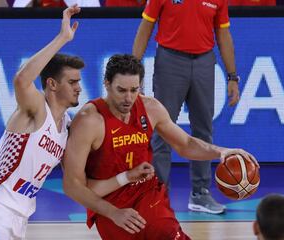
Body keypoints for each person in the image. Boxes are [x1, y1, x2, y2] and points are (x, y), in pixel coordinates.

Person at [62, 54, 258, 239]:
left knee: (167, 232)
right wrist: (113, 213)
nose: (129, 98)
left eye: (134, 90)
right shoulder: (89, 120)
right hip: (108, 203)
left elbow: (186, 144)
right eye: (121, 90)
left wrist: (221, 151)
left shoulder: (150, 107)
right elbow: (72, 186)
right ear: (107, 84)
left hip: (147, 194)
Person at [0, 6, 83, 239]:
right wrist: (63, 38)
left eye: (79, 81)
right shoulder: (36, 109)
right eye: (72, 81)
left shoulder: (67, 127)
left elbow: (76, 179)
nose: (78, 87)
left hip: (18, 222)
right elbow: (21, 79)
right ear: (52, 84)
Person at [132, 0, 241, 214]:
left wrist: (232, 76)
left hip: (204, 62)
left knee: (203, 129)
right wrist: (134, 70)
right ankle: (159, 195)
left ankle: (200, 194)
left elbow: (223, 34)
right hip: (170, 60)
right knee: (162, 131)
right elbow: (145, 27)